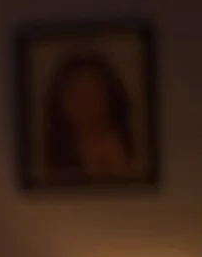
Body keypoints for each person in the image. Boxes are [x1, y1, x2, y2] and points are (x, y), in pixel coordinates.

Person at [41, 51, 145, 181]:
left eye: (93, 90)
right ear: (59, 101)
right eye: (75, 91)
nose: (85, 100)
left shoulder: (134, 153)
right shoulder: (48, 159)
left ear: (110, 96)